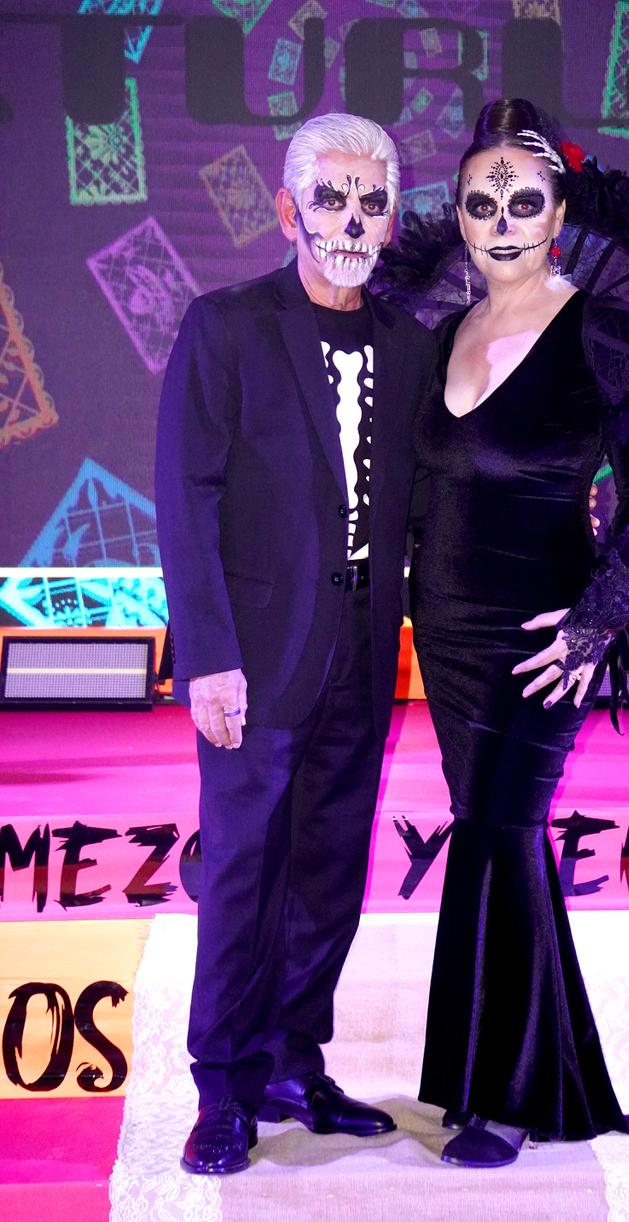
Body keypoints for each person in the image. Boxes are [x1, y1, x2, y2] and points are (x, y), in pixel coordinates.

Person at [404, 98, 629, 1168]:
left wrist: (596, 620)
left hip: (543, 633)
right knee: (497, 830)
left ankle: (496, 1096)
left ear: (558, 213)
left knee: (497, 826)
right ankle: (553, 1076)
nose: (500, 223)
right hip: (445, 629)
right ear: (457, 213)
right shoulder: (442, 334)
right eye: (480, 204)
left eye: (522, 203)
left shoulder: (600, 331)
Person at [155, 113, 436, 1175]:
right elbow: (186, 494)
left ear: (391, 218)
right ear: (287, 210)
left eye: (372, 201)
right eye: (331, 197)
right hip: (255, 655)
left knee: (327, 869)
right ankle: (222, 1087)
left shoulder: (409, 345)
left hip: (363, 651)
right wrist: (207, 656)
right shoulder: (226, 326)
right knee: (242, 870)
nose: (352, 219)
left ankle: (290, 1062)